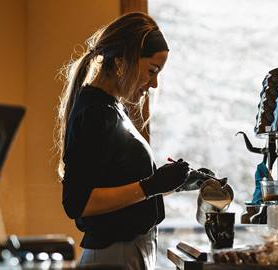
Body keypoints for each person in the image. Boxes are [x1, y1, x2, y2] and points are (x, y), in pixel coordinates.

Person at [56, 12, 190, 269]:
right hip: (113, 258)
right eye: (152, 70)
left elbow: (120, 183)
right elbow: (78, 203)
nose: (154, 83)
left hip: (129, 254)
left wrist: (172, 183)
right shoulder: (96, 113)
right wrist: (150, 186)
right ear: (121, 62)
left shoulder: (113, 109)